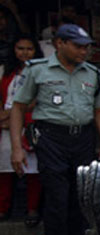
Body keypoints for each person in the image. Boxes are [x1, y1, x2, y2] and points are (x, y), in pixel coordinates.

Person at [10, 23, 100, 235]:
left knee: (80, 199)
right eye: (78, 46)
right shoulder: (38, 71)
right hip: (51, 140)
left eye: (87, 47)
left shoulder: (91, 73)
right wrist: (15, 148)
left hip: (83, 139)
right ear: (60, 44)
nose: (84, 52)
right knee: (57, 200)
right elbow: (18, 108)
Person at [0, 34, 43, 225]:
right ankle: (3, 208)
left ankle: (32, 209)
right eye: (20, 48)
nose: (24, 53)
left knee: (33, 169)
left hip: (30, 124)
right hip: (6, 125)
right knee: (5, 167)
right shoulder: (4, 71)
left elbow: (38, 99)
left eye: (29, 49)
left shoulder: (41, 71)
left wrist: (11, 115)